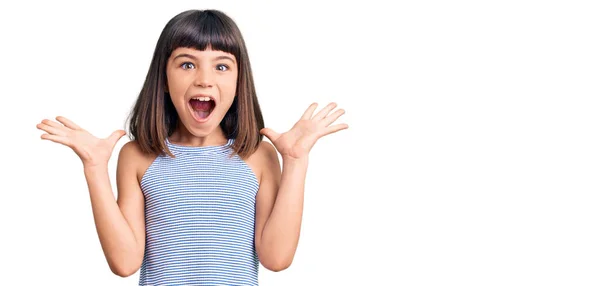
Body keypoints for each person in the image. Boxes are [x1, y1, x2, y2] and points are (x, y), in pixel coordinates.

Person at [35, 9, 348, 286]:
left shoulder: (259, 156)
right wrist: (94, 168)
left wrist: (295, 161)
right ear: (164, 76)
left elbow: (276, 258)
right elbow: (125, 263)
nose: (204, 80)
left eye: (221, 67)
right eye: (187, 64)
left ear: (240, 80)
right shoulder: (137, 156)